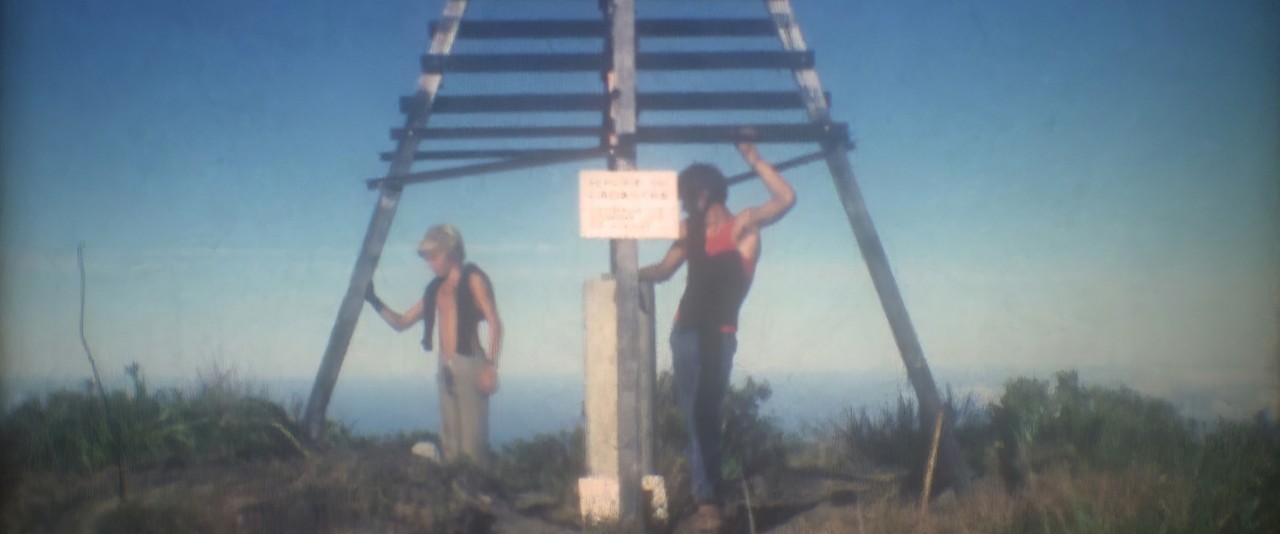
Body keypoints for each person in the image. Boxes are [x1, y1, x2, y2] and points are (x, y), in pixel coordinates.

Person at [639, 142, 796, 531]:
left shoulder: (741, 225)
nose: (682, 204)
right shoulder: (689, 232)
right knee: (696, 416)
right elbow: (662, 271)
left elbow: (786, 198)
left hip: (719, 334)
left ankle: (709, 498)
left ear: (701, 194)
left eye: (685, 196)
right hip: (686, 333)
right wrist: (629, 274)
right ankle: (708, 498)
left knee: (704, 415)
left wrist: (755, 159)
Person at [364, 223, 503, 466]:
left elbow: (495, 323)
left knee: (472, 445)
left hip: (471, 364)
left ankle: (480, 495)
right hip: (445, 367)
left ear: (451, 252)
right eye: (427, 257)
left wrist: (490, 367)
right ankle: (454, 495)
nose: (429, 263)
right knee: (449, 443)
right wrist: (373, 300)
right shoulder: (434, 289)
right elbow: (402, 322)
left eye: (433, 256)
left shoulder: (474, 279)